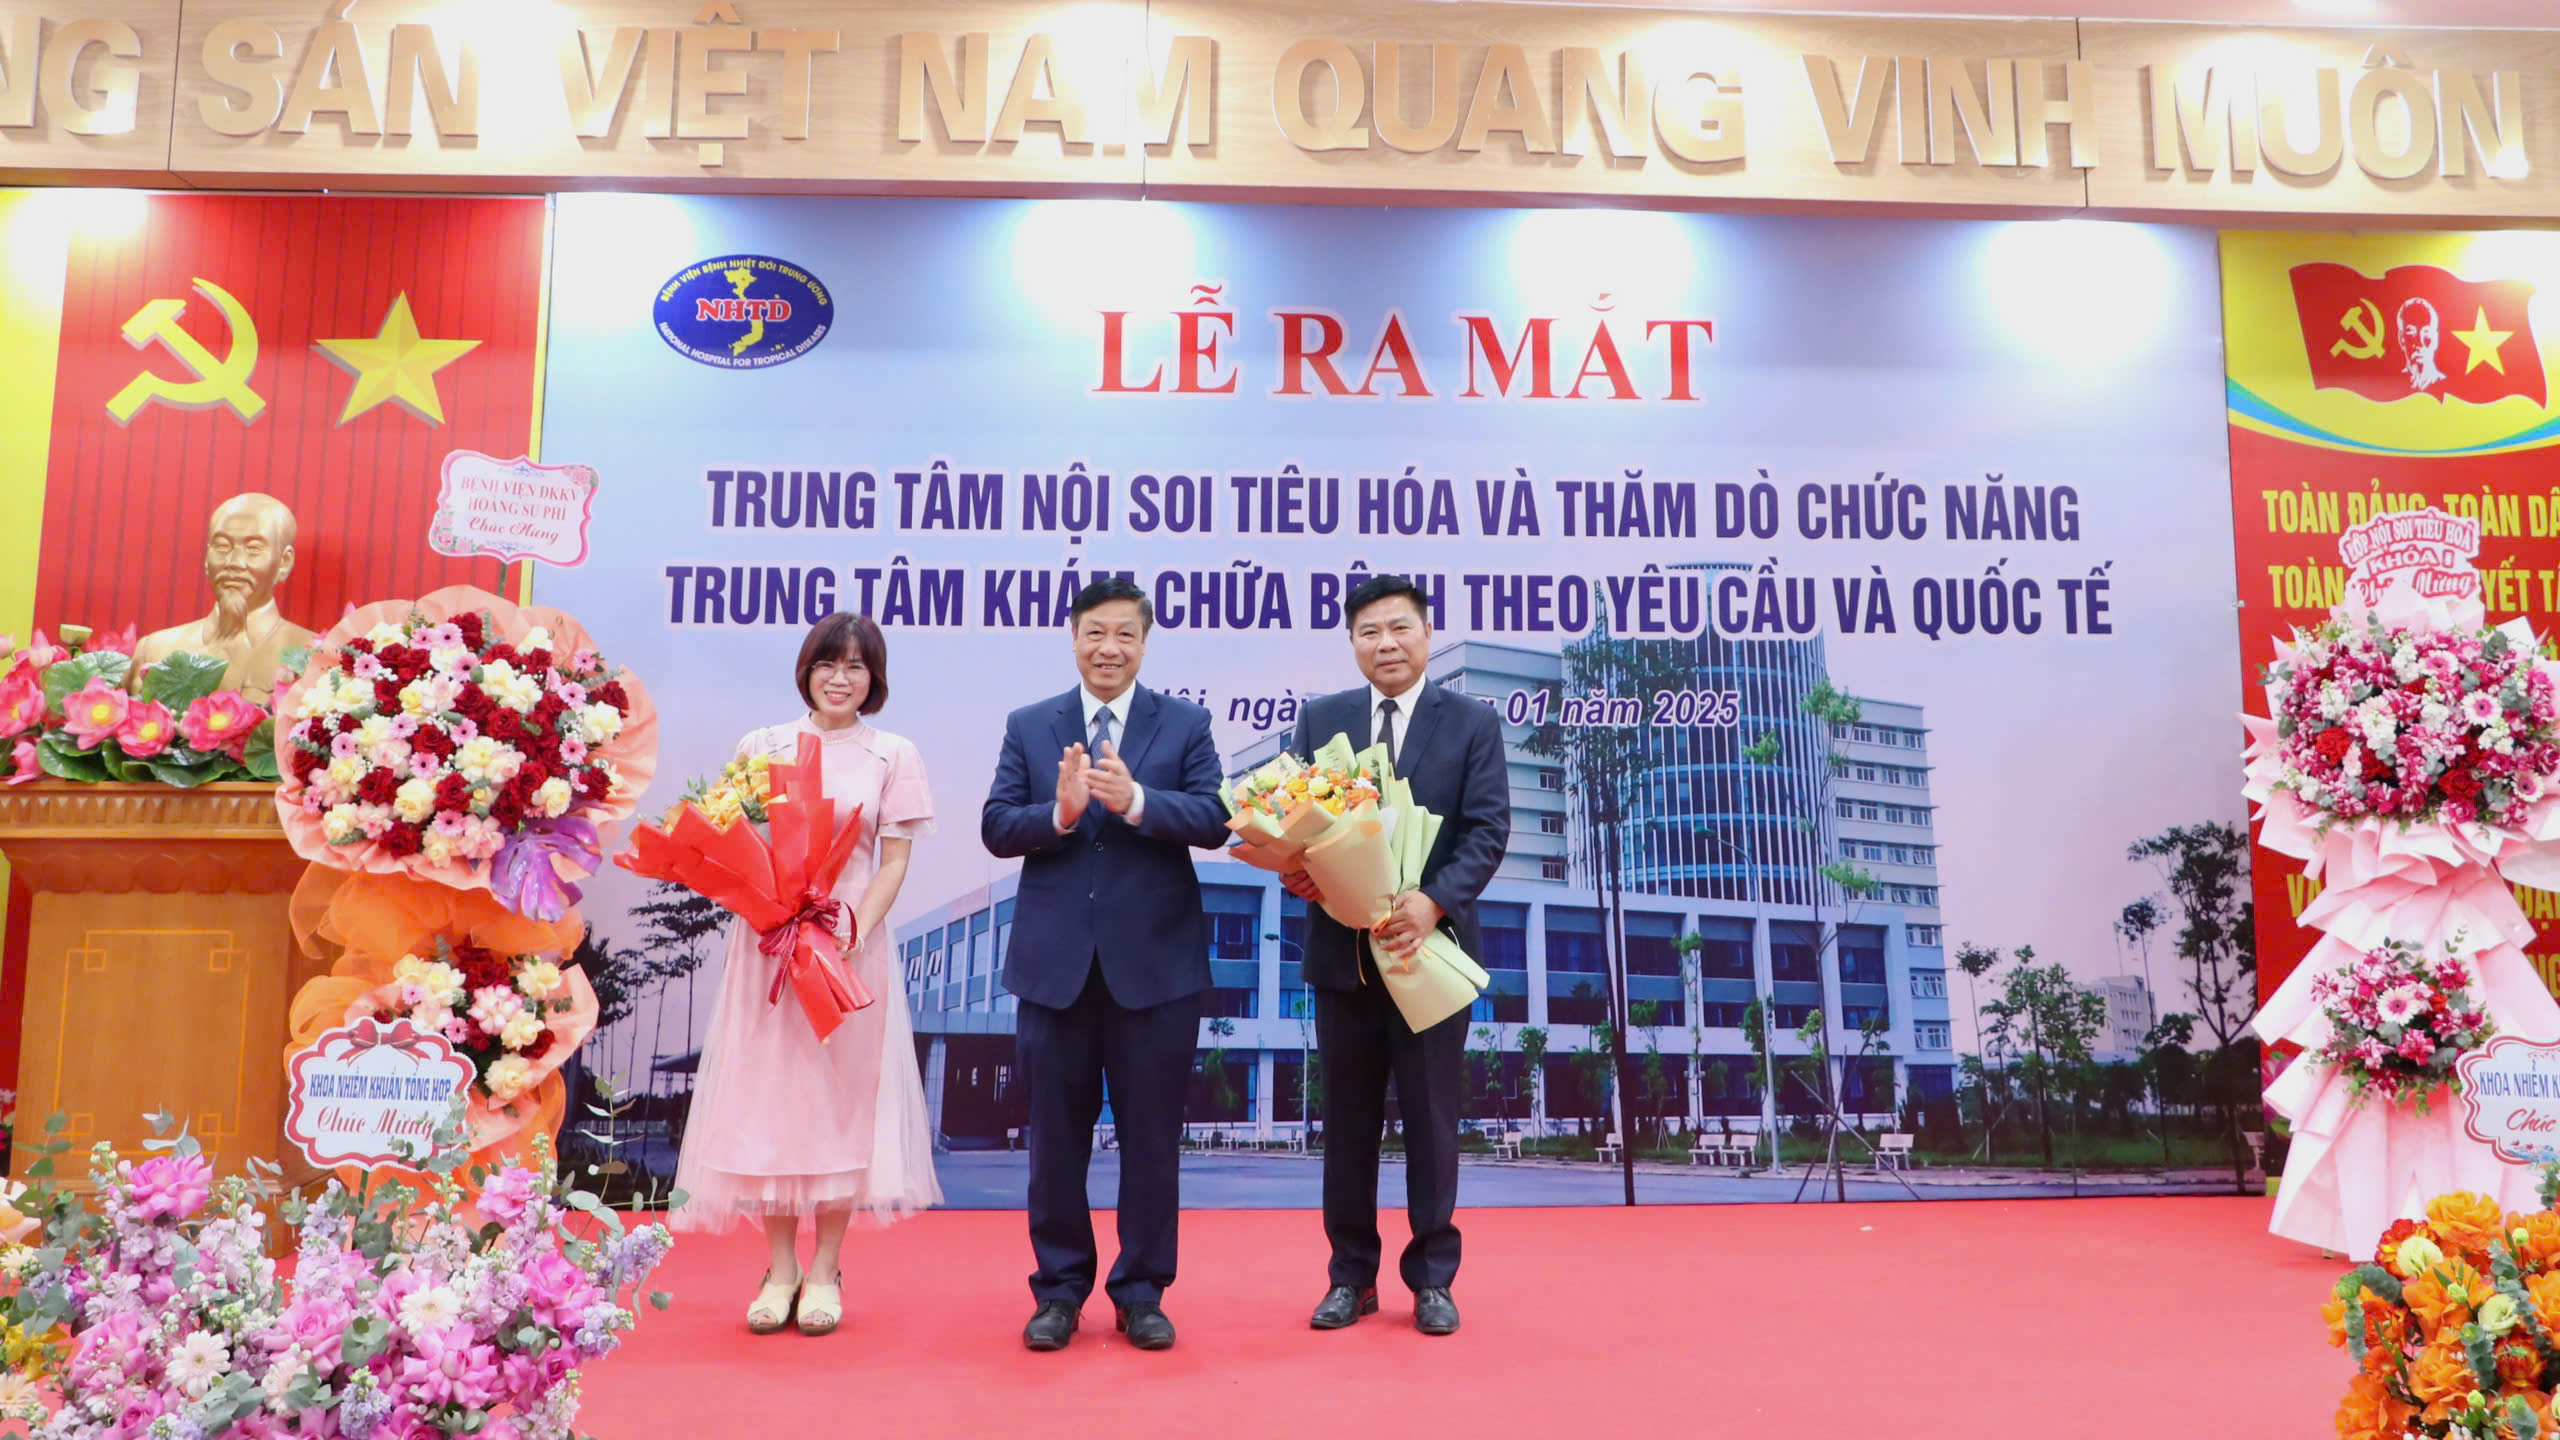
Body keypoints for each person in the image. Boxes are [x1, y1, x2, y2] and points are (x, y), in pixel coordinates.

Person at [669, 612, 942, 1337]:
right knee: (774, 1105)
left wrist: (855, 930)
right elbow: (730, 842)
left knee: (840, 1106)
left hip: (848, 947)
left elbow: (893, 862)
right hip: (771, 947)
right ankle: (780, 1268)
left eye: (856, 666)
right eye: (828, 663)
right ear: (806, 670)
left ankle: (826, 1269)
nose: (840, 679)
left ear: (874, 679)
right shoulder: (762, 747)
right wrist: (767, 908)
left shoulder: (892, 755)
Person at [981, 576, 1232, 1353]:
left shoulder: (1185, 723)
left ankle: (1142, 1292)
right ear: (1074, 638)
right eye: (1095, 632)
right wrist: (1058, 815)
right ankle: (1059, 1292)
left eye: (1125, 634)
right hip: (1054, 971)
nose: (1109, 647)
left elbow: (1216, 818)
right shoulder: (1031, 725)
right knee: (1055, 1144)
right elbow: (997, 825)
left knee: (1152, 1142)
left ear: (1145, 643)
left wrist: (1137, 802)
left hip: (1156, 971)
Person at [1281, 574, 1510, 1337]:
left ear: (1426, 634)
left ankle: (1433, 1280)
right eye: (1370, 631)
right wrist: (1299, 870)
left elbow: (1487, 829)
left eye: (1400, 628)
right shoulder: (1320, 720)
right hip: (1342, 958)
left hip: (1429, 954)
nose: (1386, 643)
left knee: (1432, 1124)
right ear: (1352, 642)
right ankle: (1350, 1279)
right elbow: (1295, 823)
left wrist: (1432, 901)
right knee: (1346, 1127)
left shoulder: (1471, 723)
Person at [129, 491, 318, 703]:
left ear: (284, 562)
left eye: (254, 549)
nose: (234, 562)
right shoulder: (155, 650)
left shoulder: (316, 656)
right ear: (207, 558)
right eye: (222, 546)